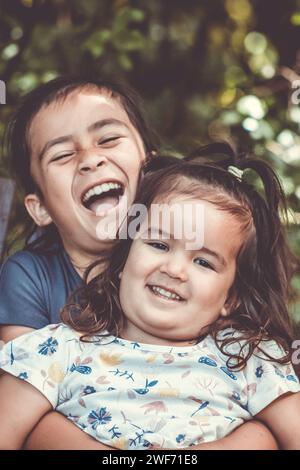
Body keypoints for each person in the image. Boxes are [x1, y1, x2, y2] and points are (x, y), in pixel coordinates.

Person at [0, 79, 274, 449]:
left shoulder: (231, 337)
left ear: (148, 169)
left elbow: (268, 425)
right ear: (41, 208)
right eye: (63, 155)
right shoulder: (44, 311)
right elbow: (26, 403)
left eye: (108, 139)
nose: (91, 159)